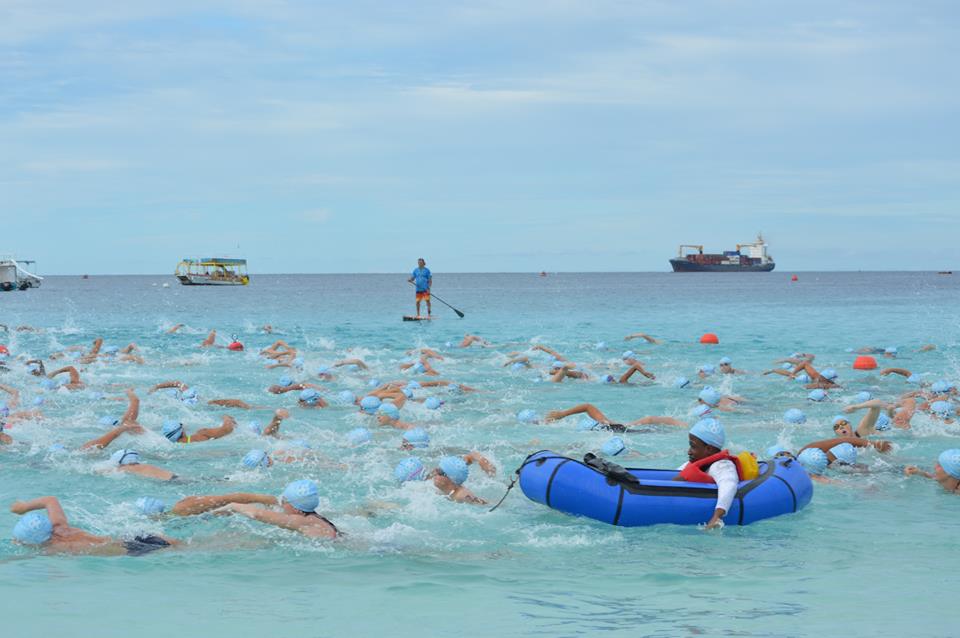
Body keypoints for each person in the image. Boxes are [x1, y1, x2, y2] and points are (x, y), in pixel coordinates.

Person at [10, 496, 177, 555]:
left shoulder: (55, 548)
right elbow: (50, 500)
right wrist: (23, 507)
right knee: (193, 545)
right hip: (132, 536)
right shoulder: (59, 526)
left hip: (132, 550)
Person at [672, 418, 741, 529]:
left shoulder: (722, 465)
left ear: (708, 449)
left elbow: (729, 485)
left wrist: (716, 516)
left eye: (693, 446)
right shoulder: (694, 463)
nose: (688, 451)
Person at [214, 480, 339, 538]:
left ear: (296, 508)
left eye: (284, 501)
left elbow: (256, 514)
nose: (282, 504)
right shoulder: (313, 517)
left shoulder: (300, 521)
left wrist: (232, 506)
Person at [394, 456, 487, 504]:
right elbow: (470, 457)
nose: (434, 472)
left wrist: (450, 490)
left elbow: (485, 504)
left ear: (448, 478)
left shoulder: (460, 494)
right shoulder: (435, 485)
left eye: (438, 471)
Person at [545, 403, 687, 432]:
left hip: (640, 428)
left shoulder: (608, 427)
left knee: (649, 420)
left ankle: (683, 425)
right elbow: (587, 407)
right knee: (649, 420)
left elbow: (587, 406)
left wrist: (562, 414)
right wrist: (562, 414)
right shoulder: (608, 426)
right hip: (638, 428)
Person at [162, 415, 236, 443]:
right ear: (181, 429)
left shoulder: (177, 446)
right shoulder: (202, 434)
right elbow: (227, 429)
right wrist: (226, 418)